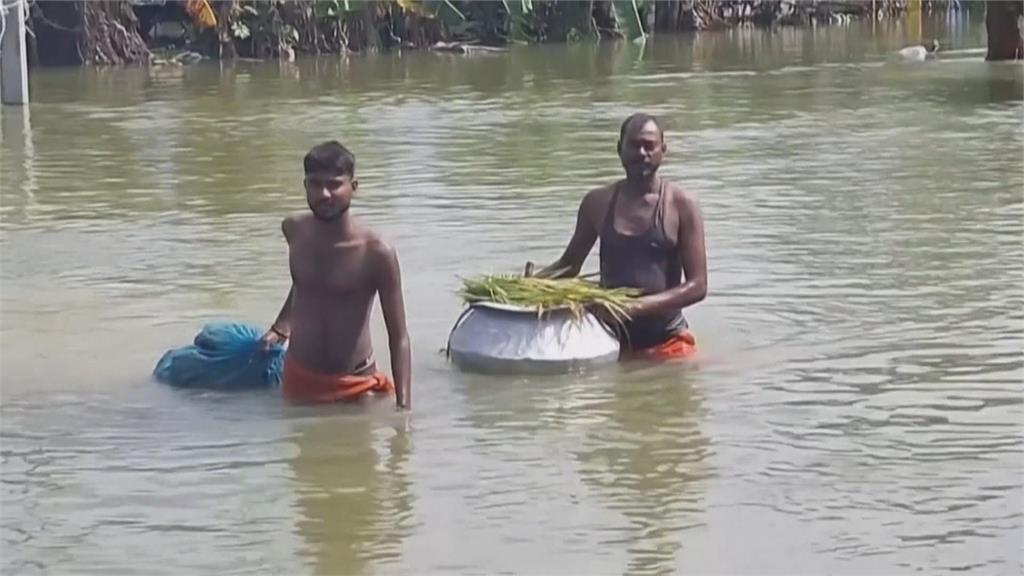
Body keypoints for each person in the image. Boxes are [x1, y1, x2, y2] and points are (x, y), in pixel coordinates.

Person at [535, 113, 707, 360]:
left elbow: (698, 286)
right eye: (634, 145)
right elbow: (569, 266)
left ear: (663, 150)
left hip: (668, 343)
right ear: (619, 149)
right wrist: (532, 284)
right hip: (609, 341)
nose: (641, 153)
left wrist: (634, 307)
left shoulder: (681, 205)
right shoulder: (597, 202)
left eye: (649, 146)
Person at [260, 141, 411, 409]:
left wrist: (404, 411)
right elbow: (304, 282)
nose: (325, 194)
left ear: (353, 187)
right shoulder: (293, 230)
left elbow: (398, 337)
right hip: (298, 380)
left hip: (356, 385)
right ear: (305, 186)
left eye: (334, 184)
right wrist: (280, 326)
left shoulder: (376, 252)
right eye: (315, 184)